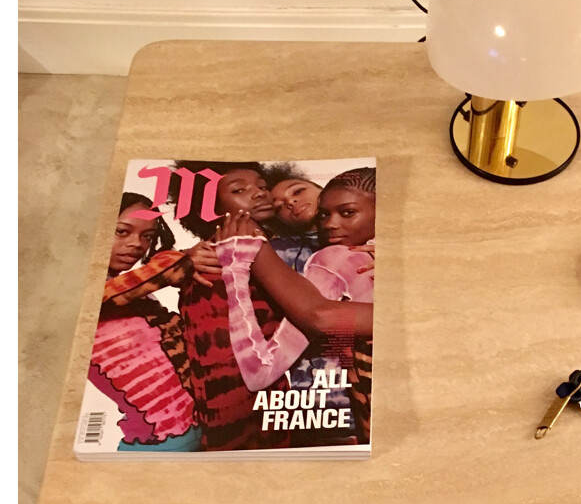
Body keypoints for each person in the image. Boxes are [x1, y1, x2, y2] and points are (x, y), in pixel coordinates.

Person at [215, 167, 376, 444]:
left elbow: (317, 317)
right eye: (325, 214)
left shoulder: (337, 258)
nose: (330, 224)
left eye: (347, 212)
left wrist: (238, 264)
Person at [168, 161, 291, 452]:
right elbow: (219, 370)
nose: (260, 193)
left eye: (262, 186)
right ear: (208, 207)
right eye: (239, 189)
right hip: (247, 425)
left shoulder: (278, 245)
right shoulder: (208, 265)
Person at [87, 193, 201, 452]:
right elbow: (162, 269)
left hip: (205, 432)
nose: (136, 244)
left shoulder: (141, 291)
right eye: (121, 231)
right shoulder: (77, 291)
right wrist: (185, 258)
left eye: (147, 236)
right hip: (157, 445)